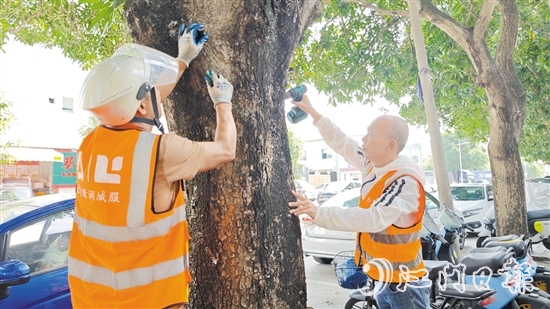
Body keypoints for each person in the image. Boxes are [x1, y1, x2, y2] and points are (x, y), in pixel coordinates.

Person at [67, 23, 236, 309]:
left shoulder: (90, 143)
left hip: (91, 297)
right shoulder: (162, 151)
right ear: (143, 107)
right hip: (150, 300)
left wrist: (182, 61)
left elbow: (137, 107)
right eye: (153, 92)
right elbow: (225, 150)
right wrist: (223, 103)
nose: (160, 93)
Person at [288, 95, 430, 309]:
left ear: (390, 145)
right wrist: (314, 114)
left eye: (371, 135)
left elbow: (374, 219)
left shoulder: (405, 181)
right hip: (382, 276)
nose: (364, 139)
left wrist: (320, 214)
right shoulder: (372, 165)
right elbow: (344, 143)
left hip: (403, 281)